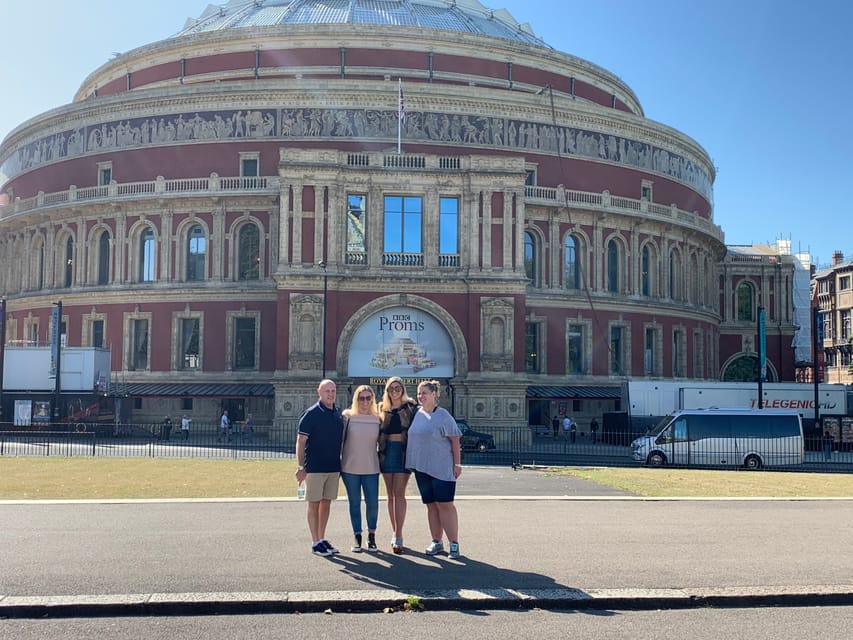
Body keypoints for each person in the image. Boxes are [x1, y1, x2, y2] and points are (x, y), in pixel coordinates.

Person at [406, 380, 463, 560]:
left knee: (445, 505)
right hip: (422, 468)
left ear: (434, 394)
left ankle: (454, 543)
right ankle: (436, 541)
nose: (421, 396)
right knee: (431, 506)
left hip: (442, 468)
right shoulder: (417, 414)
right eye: (419, 393)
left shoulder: (443, 415)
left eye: (424, 393)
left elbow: (455, 440)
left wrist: (457, 464)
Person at [296, 379, 344, 557]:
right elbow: (301, 442)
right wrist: (301, 467)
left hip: (333, 467)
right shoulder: (311, 414)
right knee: (314, 504)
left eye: (333, 390)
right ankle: (315, 541)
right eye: (327, 391)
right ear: (319, 392)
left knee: (326, 503)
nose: (331, 394)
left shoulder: (338, 413)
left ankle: (322, 538)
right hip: (314, 468)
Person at [378, 376, 418, 554]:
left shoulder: (410, 407)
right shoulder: (381, 408)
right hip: (386, 453)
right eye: (391, 389)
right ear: (387, 391)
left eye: (397, 388)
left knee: (399, 494)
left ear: (402, 390)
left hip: (403, 453)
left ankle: (399, 534)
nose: (394, 391)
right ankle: (394, 533)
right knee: (390, 495)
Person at [341, 385, 381, 553]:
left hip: (372, 467)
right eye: (361, 398)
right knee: (354, 503)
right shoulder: (347, 417)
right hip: (350, 467)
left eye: (368, 398)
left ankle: (371, 535)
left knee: (372, 503)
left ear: (372, 399)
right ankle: (357, 536)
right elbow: (340, 440)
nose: (365, 401)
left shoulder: (378, 418)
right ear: (356, 399)